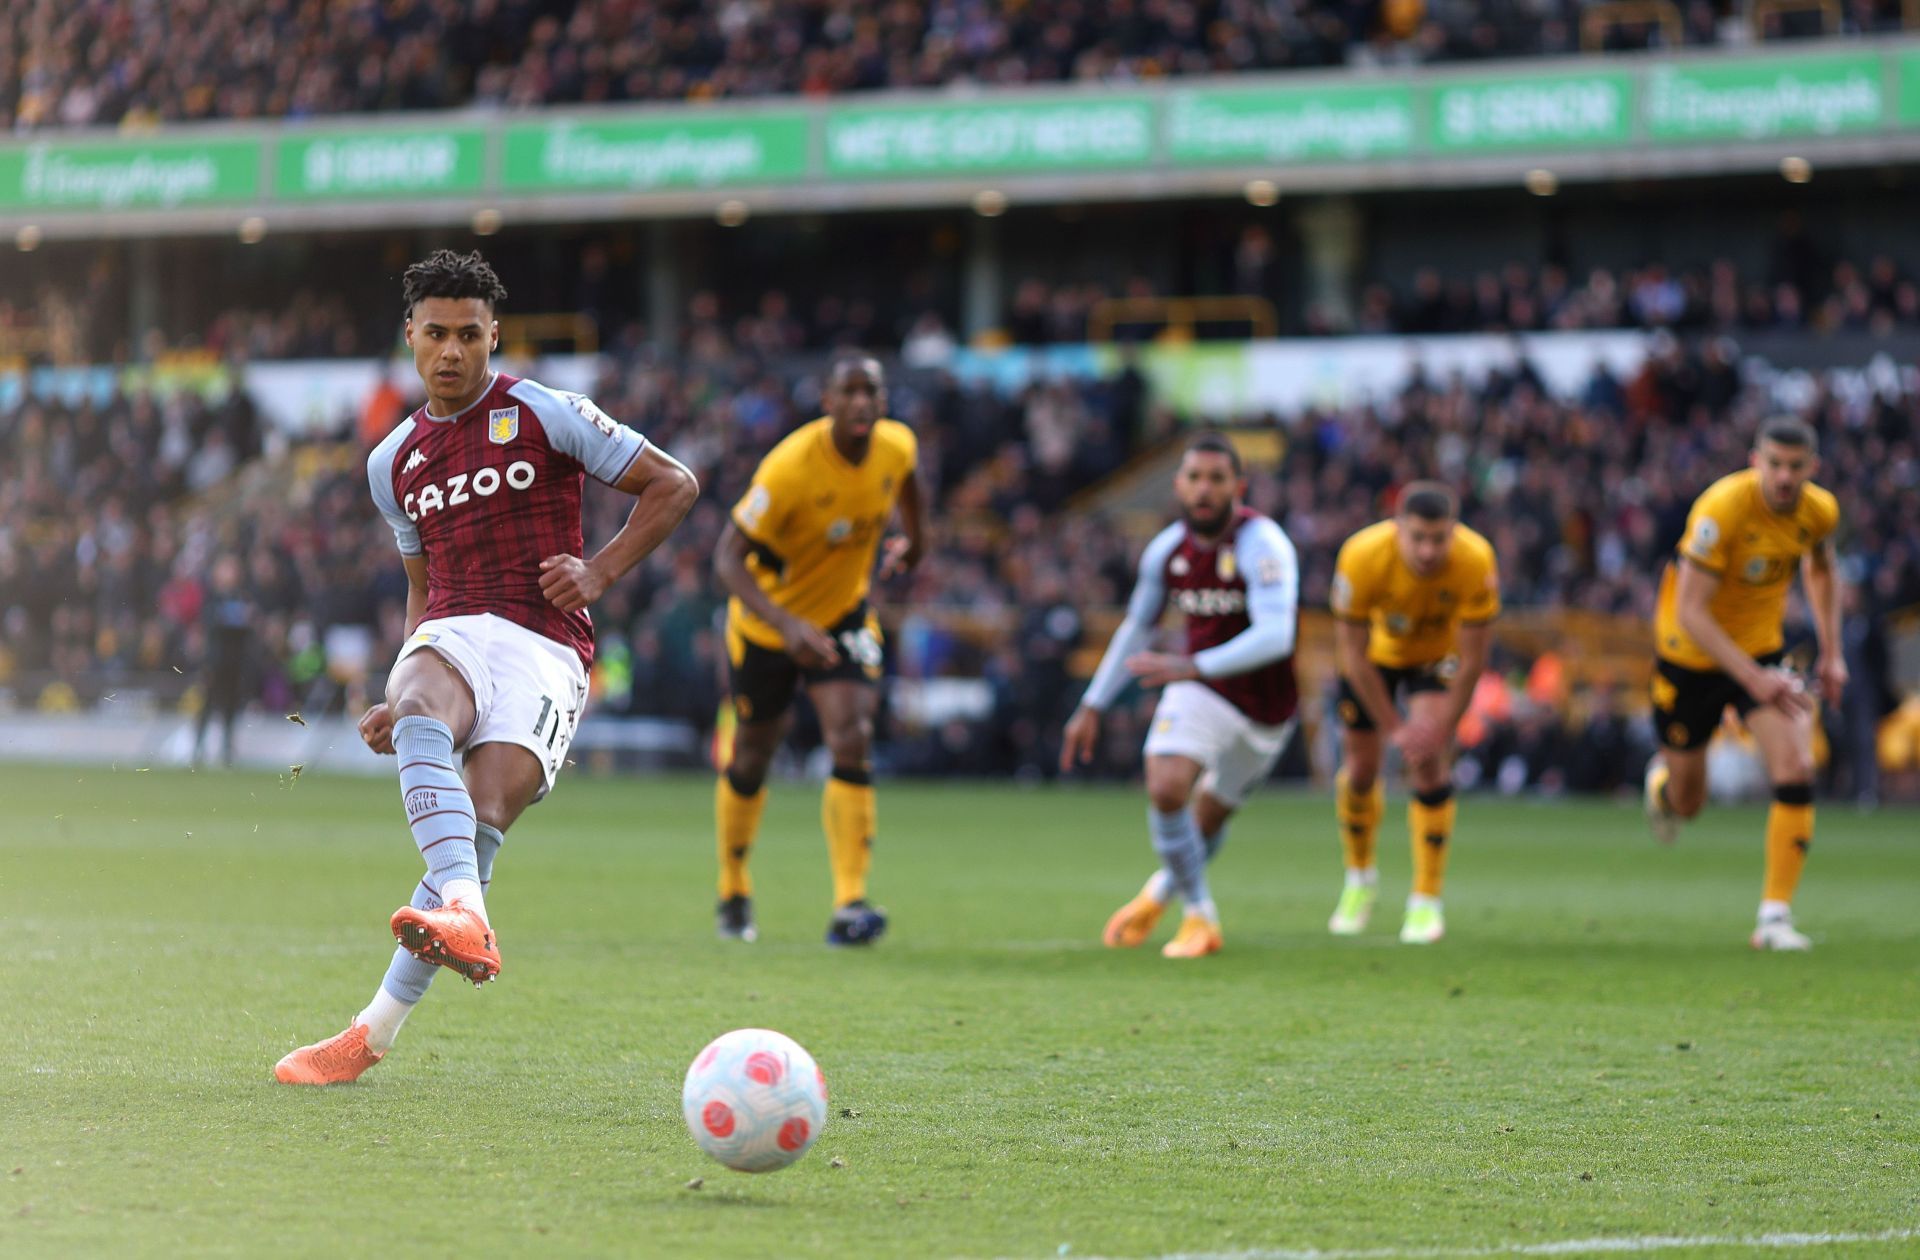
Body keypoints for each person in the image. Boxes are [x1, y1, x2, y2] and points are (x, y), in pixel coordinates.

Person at [273, 250, 698, 1085]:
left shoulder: (546, 412)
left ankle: (371, 1035)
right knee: (422, 700)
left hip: (547, 646)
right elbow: (421, 586)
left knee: (480, 820)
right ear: (410, 337)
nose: (453, 352)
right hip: (456, 630)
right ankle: (468, 913)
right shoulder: (390, 461)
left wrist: (601, 571)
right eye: (436, 334)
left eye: (470, 335)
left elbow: (673, 484)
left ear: (494, 335)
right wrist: (399, 684)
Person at [1060, 433, 1301, 960]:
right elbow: (1137, 627)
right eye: (1194, 478)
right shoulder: (1166, 550)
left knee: (1206, 822)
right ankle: (1201, 918)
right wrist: (1094, 703)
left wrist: (1193, 662)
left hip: (1265, 710)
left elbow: (1275, 635)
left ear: (1238, 486)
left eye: (1216, 479)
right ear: (1178, 486)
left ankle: (1158, 895)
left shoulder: (1264, 545)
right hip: (1201, 691)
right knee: (1167, 787)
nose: (1204, 489)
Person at [711, 357, 924, 946]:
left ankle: (849, 903)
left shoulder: (895, 446)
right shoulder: (788, 470)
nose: (861, 402)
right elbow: (727, 558)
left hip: (843, 615)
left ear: (883, 400)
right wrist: (785, 622)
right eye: (848, 391)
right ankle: (733, 888)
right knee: (753, 756)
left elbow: (910, 485)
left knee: (852, 733)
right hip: (764, 628)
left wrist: (917, 543)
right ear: (827, 400)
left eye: (871, 391)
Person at [1643, 416, 1843, 951]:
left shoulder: (1818, 511)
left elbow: (1821, 570)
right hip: (1690, 658)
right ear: (1756, 461)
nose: (1783, 477)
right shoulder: (1720, 510)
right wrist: (1754, 680)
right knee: (1689, 804)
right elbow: (1690, 612)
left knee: (1797, 766)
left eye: (1795, 467)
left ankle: (1774, 918)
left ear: (1812, 469)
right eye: (1774, 464)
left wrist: (1833, 652)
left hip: (1759, 650)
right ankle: (1663, 785)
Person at [1326, 483, 1500, 945]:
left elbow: (1474, 661)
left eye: (1439, 538)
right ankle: (1359, 879)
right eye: (1418, 537)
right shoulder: (1362, 556)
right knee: (1362, 771)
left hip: (1435, 660)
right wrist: (1394, 728)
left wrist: (1440, 730)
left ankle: (1426, 900)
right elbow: (1352, 656)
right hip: (1373, 663)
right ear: (1397, 528)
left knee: (1428, 763)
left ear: (1454, 531)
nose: (1428, 550)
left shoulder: (1476, 561)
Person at [193, 553, 253, 767]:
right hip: (215, 661)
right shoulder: (213, 597)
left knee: (230, 706)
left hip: (234, 661)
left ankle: (226, 751)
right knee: (207, 705)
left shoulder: (242, 597)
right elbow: (209, 626)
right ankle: (197, 750)